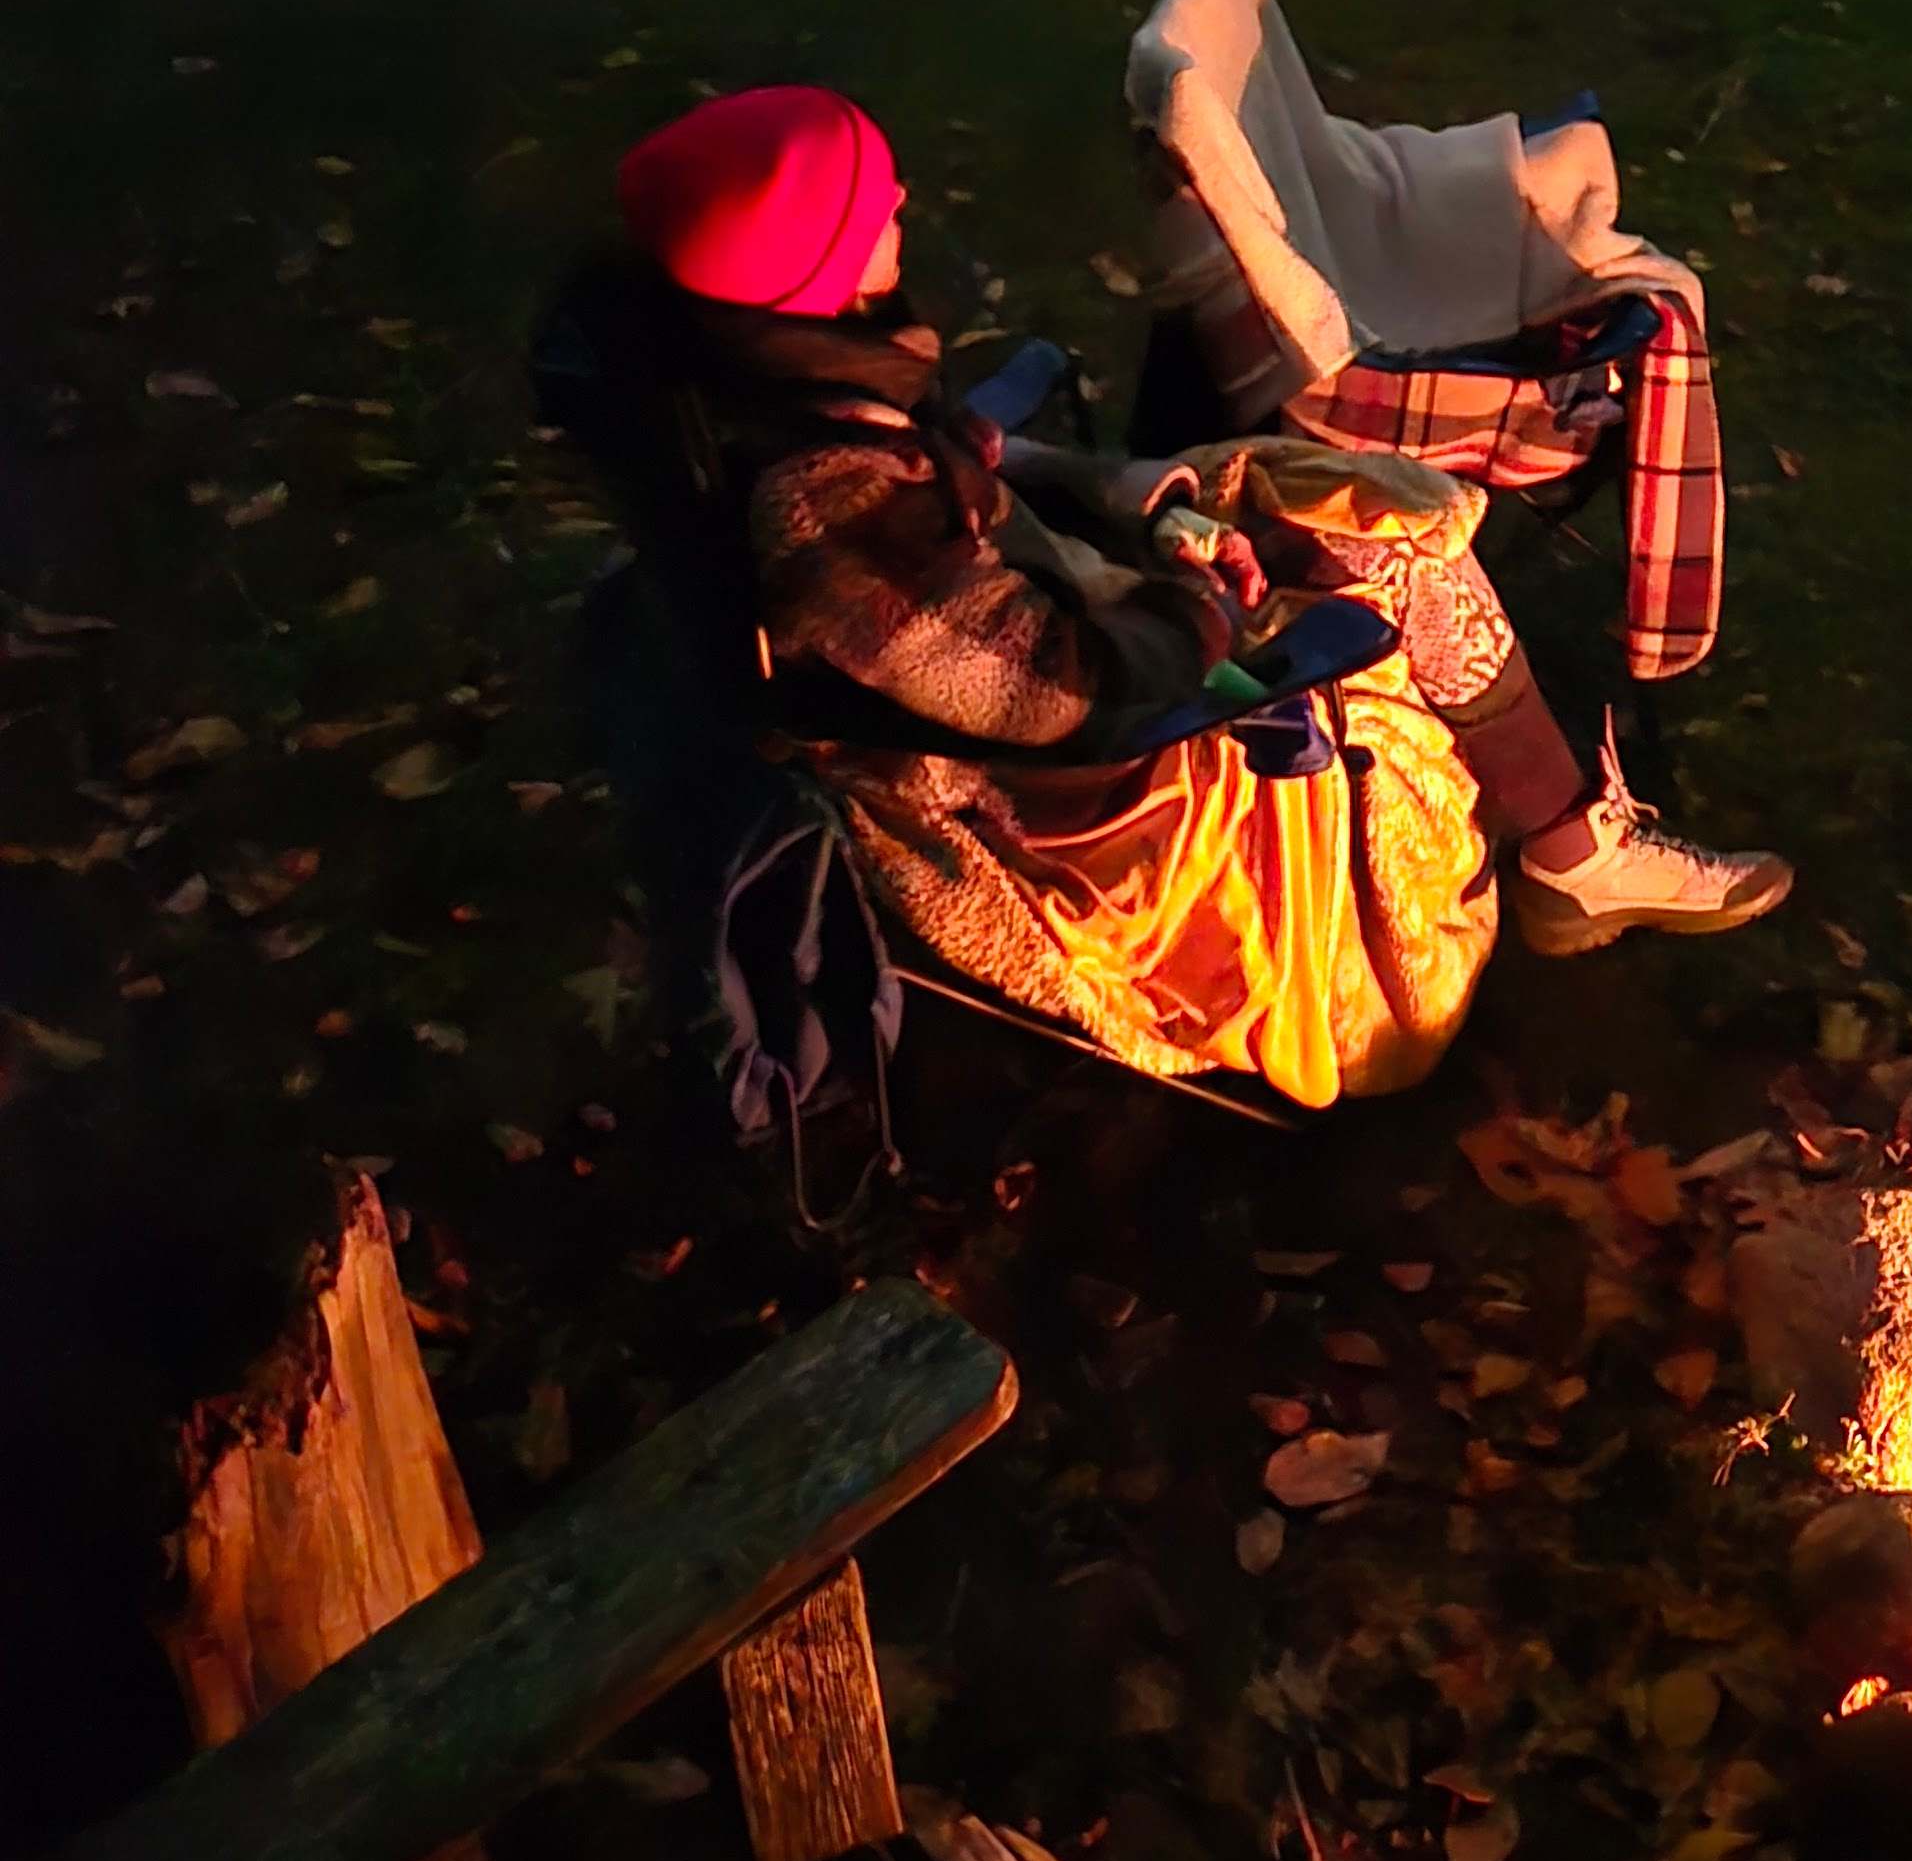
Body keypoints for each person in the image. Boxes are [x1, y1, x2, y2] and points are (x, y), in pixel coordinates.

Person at [547, 86, 1793, 1110]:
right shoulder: (825, 513)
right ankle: (1575, 854)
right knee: (1392, 560)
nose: (905, 205)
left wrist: (1131, 492)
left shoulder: (786, 374)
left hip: (1063, 617)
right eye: (875, 205)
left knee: (1357, 502)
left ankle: (1571, 843)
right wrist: (1201, 598)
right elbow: (1056, 698)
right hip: (1080, 791)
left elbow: (957, 470)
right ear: (806, 265)